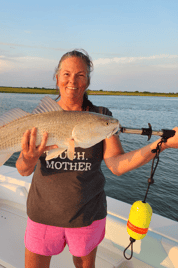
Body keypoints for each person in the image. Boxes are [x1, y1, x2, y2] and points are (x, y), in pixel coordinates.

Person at [15, 49, 178, 268]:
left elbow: (117, 165)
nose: (72, 81)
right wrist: (28, 158)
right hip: (42, 214)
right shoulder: (39, 119)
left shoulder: (102, 117)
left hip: (86, 216)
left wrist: (162, 144)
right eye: (66, 74)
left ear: (88, 81)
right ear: (57, 78)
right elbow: (23, 170)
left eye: (80, 75)